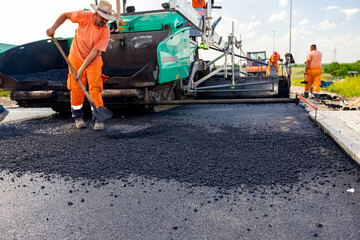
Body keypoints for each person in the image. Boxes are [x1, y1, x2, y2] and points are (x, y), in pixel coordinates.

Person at [46, 0, 117, 131]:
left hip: (93, 60)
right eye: (103, 18)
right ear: (96, 14)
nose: (104, 22)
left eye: (107, 20)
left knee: (95, 86)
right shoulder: (83, 16)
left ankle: (98, 119)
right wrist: (53, 28)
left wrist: (81, 69)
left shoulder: (105, 31)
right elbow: (64, 15)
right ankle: (77, 117)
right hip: (75, 56)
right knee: (76, 86)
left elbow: (95, 52)